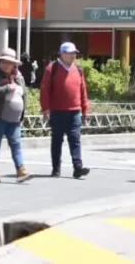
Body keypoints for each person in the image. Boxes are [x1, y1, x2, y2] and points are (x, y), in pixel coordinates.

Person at [40, 42, 90, 179]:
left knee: (75, 139)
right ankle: (56, 168)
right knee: (57, 140)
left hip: (74, 112)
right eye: (70, 53)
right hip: (57, 112)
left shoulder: (78, 70)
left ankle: (77, 167)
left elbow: (83, 91)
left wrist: (85, 110)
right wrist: (45, 108)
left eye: (75, 53)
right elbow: (45, 90)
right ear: (62, 54)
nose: (73, 55)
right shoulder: (52, 68)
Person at [0, 48, 30, 183]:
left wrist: (23, 114)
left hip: (14, 118)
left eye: (9, 62)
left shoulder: (19, 77)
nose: (6, 64)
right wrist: (6, 88)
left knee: (16, 143)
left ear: (14, 64)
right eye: (3, 62)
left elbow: (24, 95)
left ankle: (20, 171)